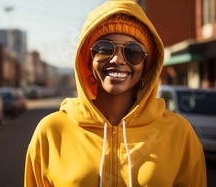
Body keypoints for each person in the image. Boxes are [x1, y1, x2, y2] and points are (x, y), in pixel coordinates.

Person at [24, 0, 207, 186]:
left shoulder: (179, 133)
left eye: (133, 51)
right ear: (88, 60)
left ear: (146, 66)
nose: (118, 59)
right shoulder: (51, 131)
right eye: (104, 49)